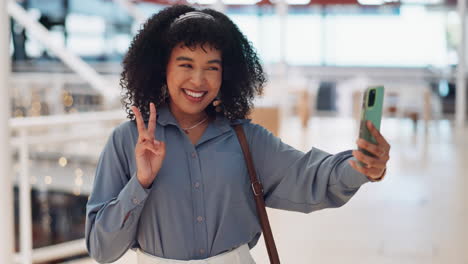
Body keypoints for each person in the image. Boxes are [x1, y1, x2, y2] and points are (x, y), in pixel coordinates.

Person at [85, 4, 390, 264]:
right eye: (186, 64)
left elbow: (309, 176)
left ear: (226, 74)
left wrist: (361, 165)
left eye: (212, 68)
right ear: (161, 68)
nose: (198, 80)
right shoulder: (127, 142)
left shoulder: (246, 139)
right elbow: (101, 249)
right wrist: (140, 184)